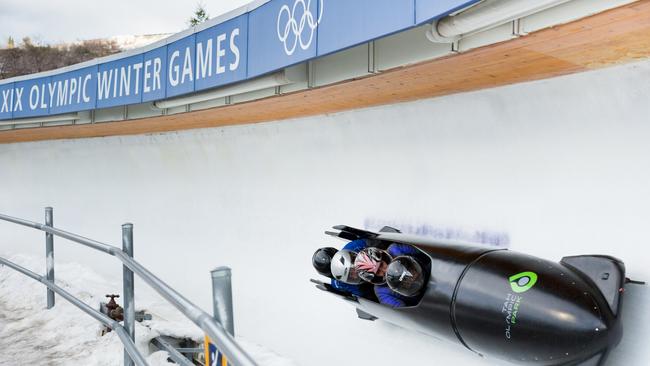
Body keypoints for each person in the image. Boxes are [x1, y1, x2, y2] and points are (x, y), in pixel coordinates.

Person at [374, 243, 428, 308]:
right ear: (375, 276)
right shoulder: (380, 291)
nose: (384, 270)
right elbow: (399, 309)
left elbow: (424, 250)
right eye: (378, 272)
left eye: (382, 264)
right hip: (426, 300)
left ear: (383, 257)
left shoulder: (395, 249)